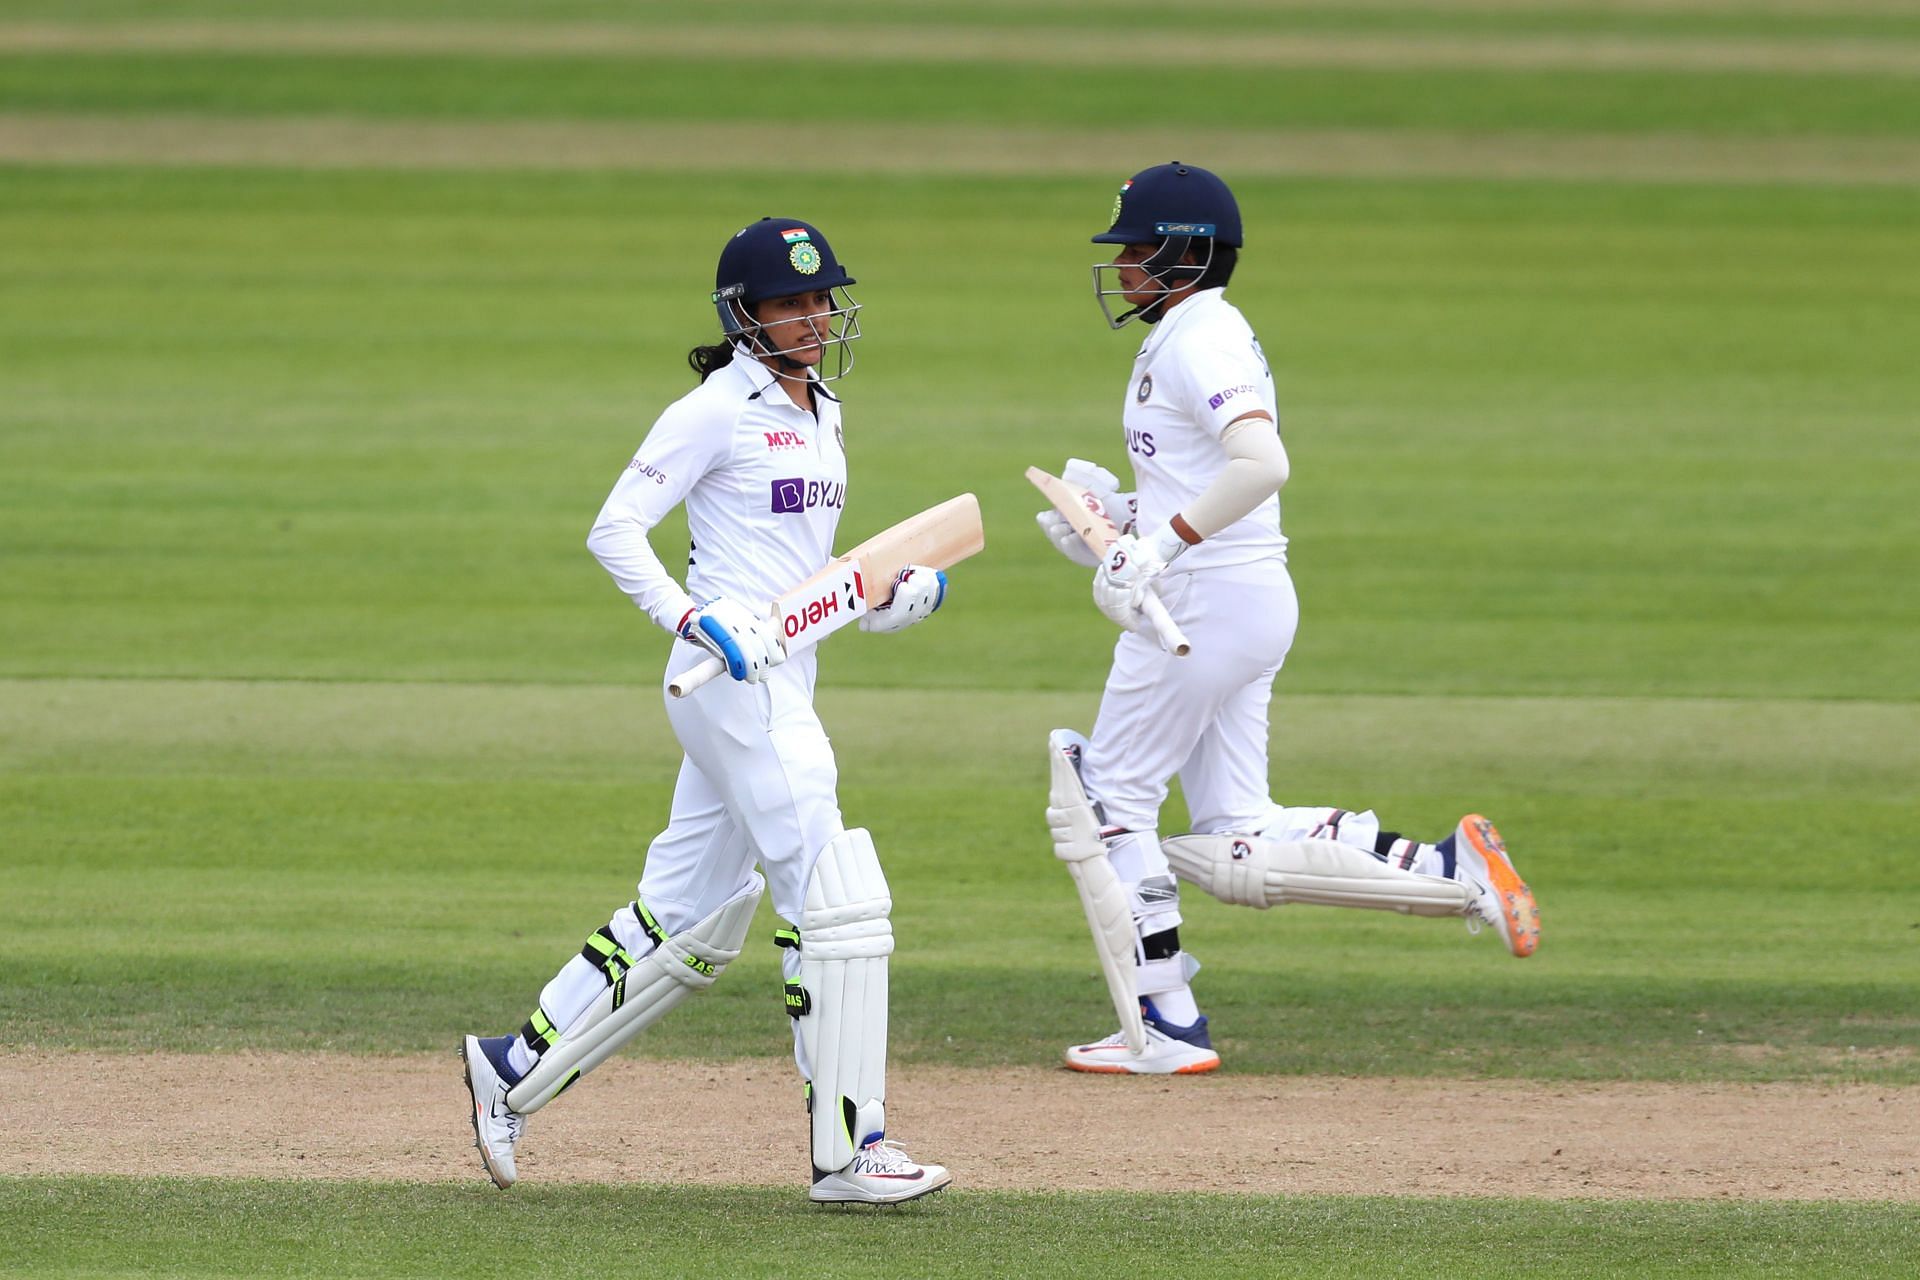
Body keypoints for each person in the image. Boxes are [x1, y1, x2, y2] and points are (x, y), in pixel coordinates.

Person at [462, 217, 951, 1203]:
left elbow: (802, 574)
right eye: (791, 302)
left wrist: (888, 597)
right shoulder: (715, 409)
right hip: (729, 683)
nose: (814, 317)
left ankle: (512, 1066)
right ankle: (851, 1146)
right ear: (745, 315)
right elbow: (615, 528)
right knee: (831, 892)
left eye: (823, 299)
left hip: (781, 675)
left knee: (691, 920)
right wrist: (693, 615)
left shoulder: (825, 410)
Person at [1036, 163, 1543, 1076]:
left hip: (1202, 602)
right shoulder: (1193, 335)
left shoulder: (1202, 341)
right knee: (1235, 821)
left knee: (1105, 797)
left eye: (1135, 250)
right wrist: (1114, 519)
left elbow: (1262, 464)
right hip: (1242, 597)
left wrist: (1159, 548)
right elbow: (1199, 475)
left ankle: (1164, 1025)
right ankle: (1446, 869)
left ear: (1185, 254)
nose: (1120, 267)